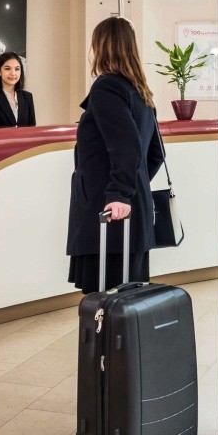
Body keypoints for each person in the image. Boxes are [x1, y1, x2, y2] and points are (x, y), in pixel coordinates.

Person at [67, 16, 164, 293]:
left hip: (109, 212)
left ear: (101, 46)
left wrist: (120, 192)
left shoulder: (107, 87)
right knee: (127, 297)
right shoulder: (141, 93)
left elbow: (126, 146)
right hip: (131, 209)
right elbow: (155, 154)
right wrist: (134, 186)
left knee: (105, 299)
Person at [0, 52, 36, 128]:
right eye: (7, 69)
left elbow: (32, 129)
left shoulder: (27, 97)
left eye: (17, 69)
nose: (13, 73)